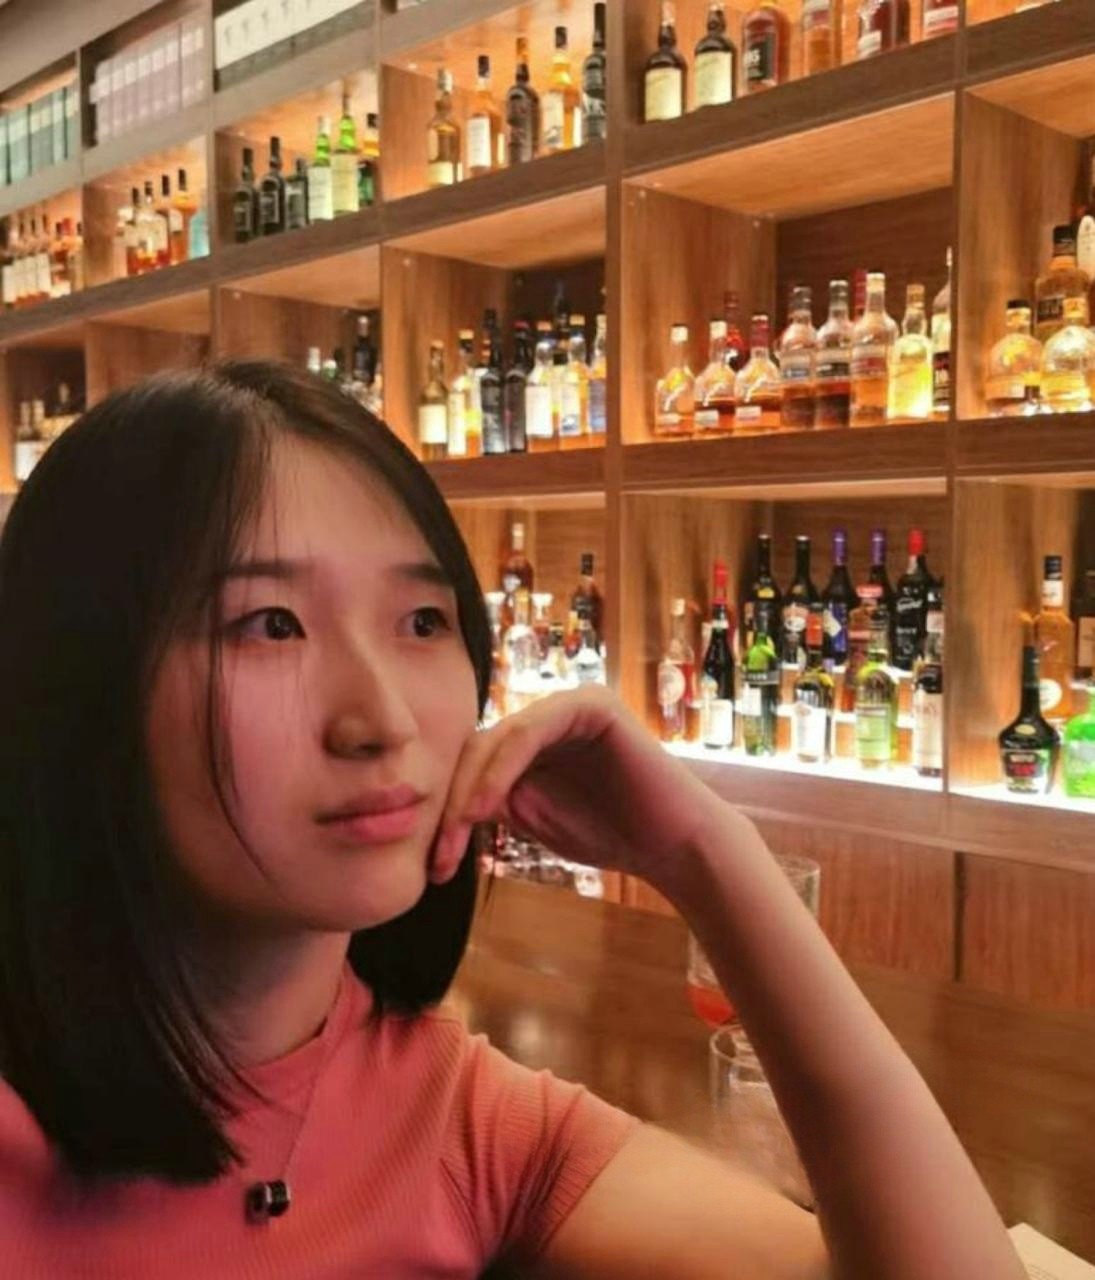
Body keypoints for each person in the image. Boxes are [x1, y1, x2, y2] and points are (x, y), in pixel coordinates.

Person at [0, 361, 1023, 1279]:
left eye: (421, 621)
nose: (383, 718)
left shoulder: (458, 1116)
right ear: (74, 686)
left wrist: (705, 852)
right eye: (271, 624)